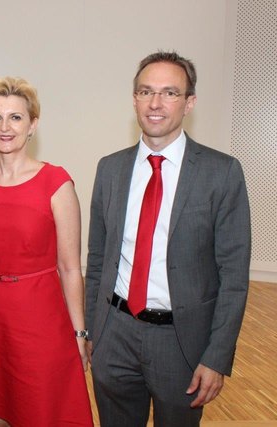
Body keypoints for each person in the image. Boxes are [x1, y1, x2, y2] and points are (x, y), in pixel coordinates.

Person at [85, 51, 251, 427]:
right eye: (146, 92)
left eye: (169, 93)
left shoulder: (221, 173)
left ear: (189, 102)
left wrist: (217, 356)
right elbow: (97, 258)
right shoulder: (110, 169)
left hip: (182, 343)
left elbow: (235, 278)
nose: (155, 103)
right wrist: (94, 330)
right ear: (134, 99)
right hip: (115, 335)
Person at [0, 77, 93, 427]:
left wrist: (79, 334)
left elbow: (70, 268)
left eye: (16, 117)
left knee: (39, 416)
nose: (5, 127)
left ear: (32, 125)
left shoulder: (56, 183)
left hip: (41, 320)